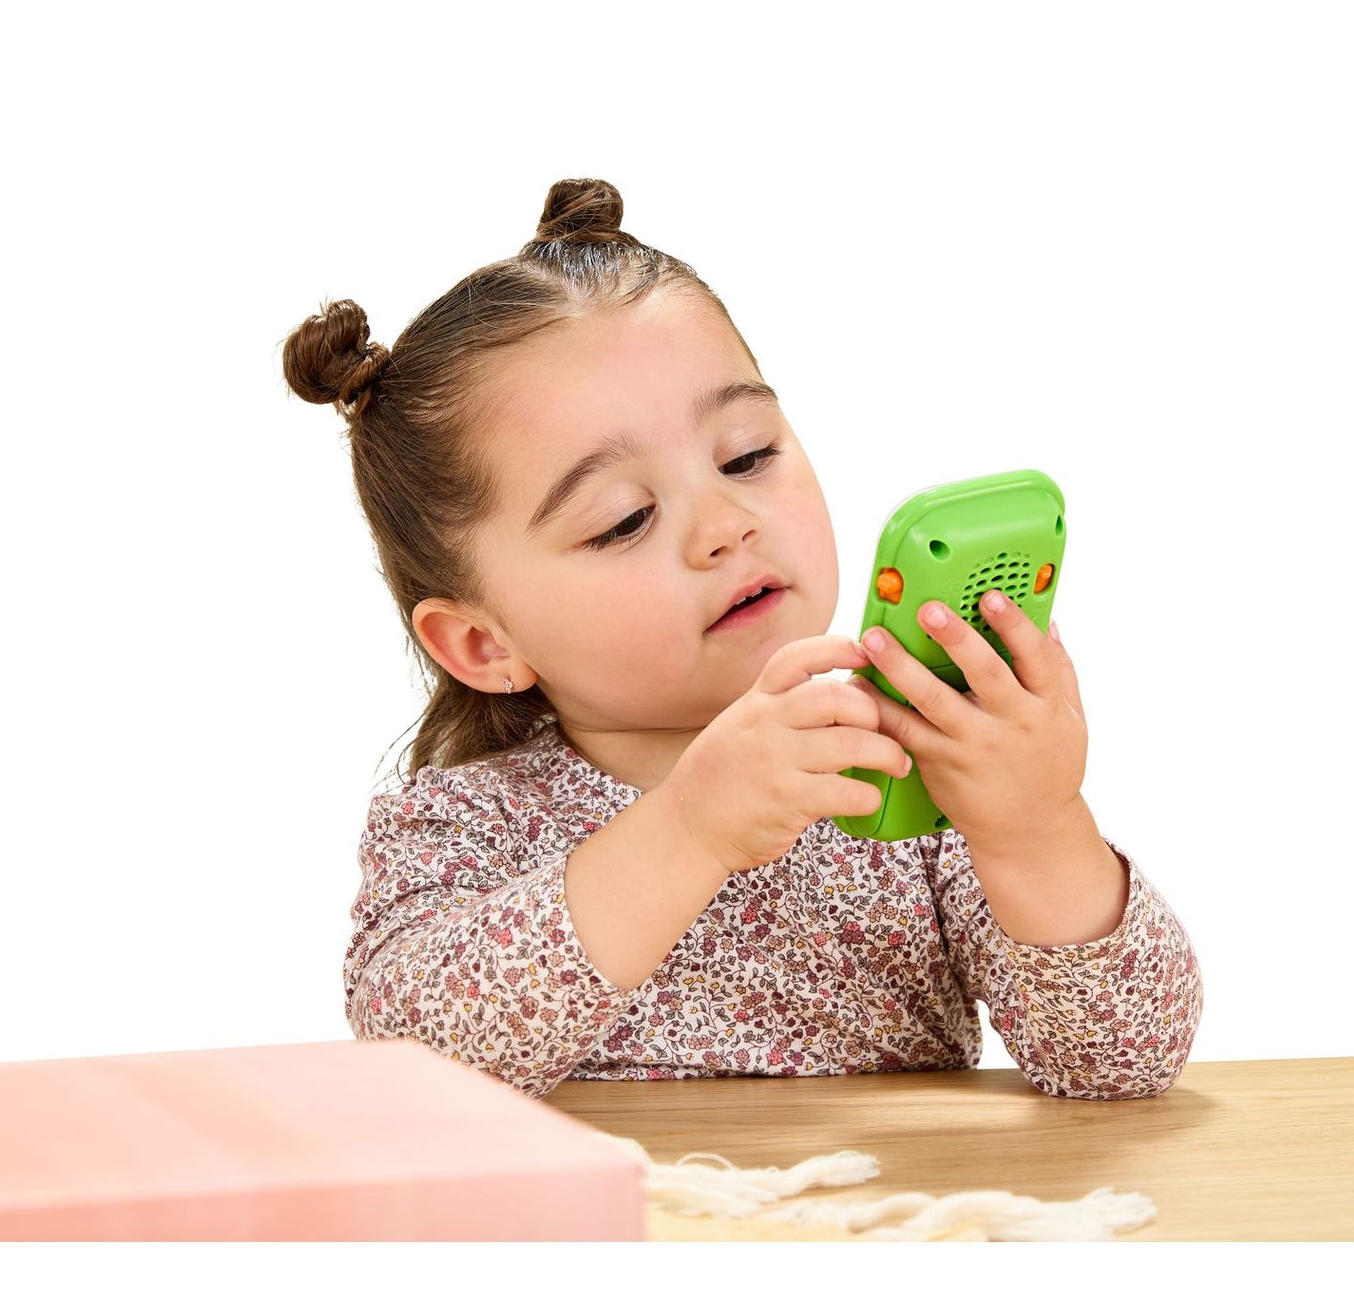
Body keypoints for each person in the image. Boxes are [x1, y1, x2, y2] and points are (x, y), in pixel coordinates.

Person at [281, 177, 1202, 1100]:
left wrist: (1036, 825)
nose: (725, 524)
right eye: (625, 518)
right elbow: (413, 1063)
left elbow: (1123, 1061)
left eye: (747, 455)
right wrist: (690, 829)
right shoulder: (465, 825)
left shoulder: (912, 778)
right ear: (483, 645)